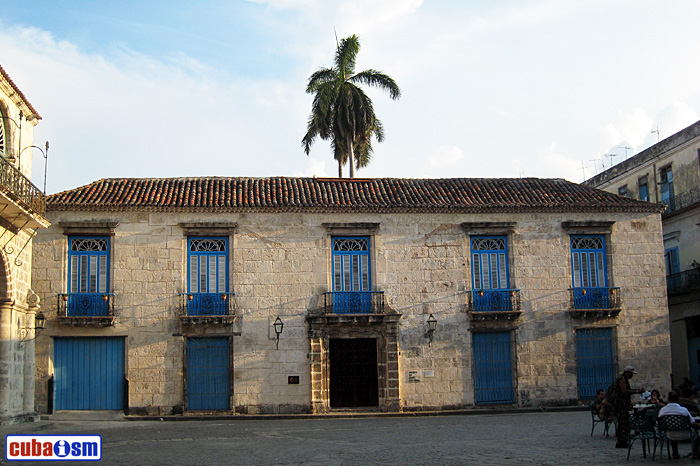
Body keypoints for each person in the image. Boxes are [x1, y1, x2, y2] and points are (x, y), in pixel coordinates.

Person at [658, 390, 700, 460]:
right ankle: (696, 453)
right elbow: (692, 423)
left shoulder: (662, 410)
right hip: (685, 434)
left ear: (668, 399)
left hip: (670, 435)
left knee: (672, 428)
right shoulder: (683, 410)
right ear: (678, 400)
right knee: (696, 435)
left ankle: (675, 453)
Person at [610, 365, 645, 449]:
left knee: (624, 423)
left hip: (623, 404)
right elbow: (625, 391)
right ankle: (621, 441)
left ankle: (623, 440)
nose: (632, 376)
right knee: (623, 423)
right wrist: (637, 391)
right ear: (627, 373)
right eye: (631, 373)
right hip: (620, 405)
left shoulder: (624, 380)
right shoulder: (621, 379)